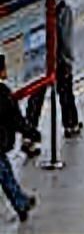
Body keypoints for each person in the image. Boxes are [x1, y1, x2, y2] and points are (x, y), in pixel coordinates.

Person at [22, 0, 79, 150]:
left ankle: (29, 136)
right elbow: (66, 39)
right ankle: (71, 125)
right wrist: (68, 60)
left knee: (35, 99)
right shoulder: (63, 9)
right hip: (58, 58)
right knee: (65, 91)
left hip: (40, 60)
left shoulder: (36, 10)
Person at [0, 56, 38, 222]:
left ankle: (21, 202)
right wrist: (31, 133)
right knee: (5, 175)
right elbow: (16, 120)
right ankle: (21, 203)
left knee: (6, 173)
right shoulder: (3, 93)